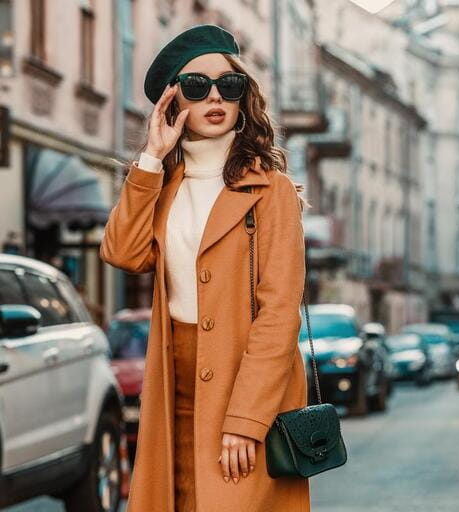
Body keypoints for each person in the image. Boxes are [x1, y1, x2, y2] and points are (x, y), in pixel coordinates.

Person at [99, 24, 309, 512]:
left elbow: (278, 316)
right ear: (175, 104)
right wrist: (150, 158)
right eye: (196, 87)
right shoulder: (162, 184)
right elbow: (123, 253)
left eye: (229, 86)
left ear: (243, 99)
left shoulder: (271, 190)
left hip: (248, 382)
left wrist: (247, 419)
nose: (215, 96)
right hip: (174, 383)